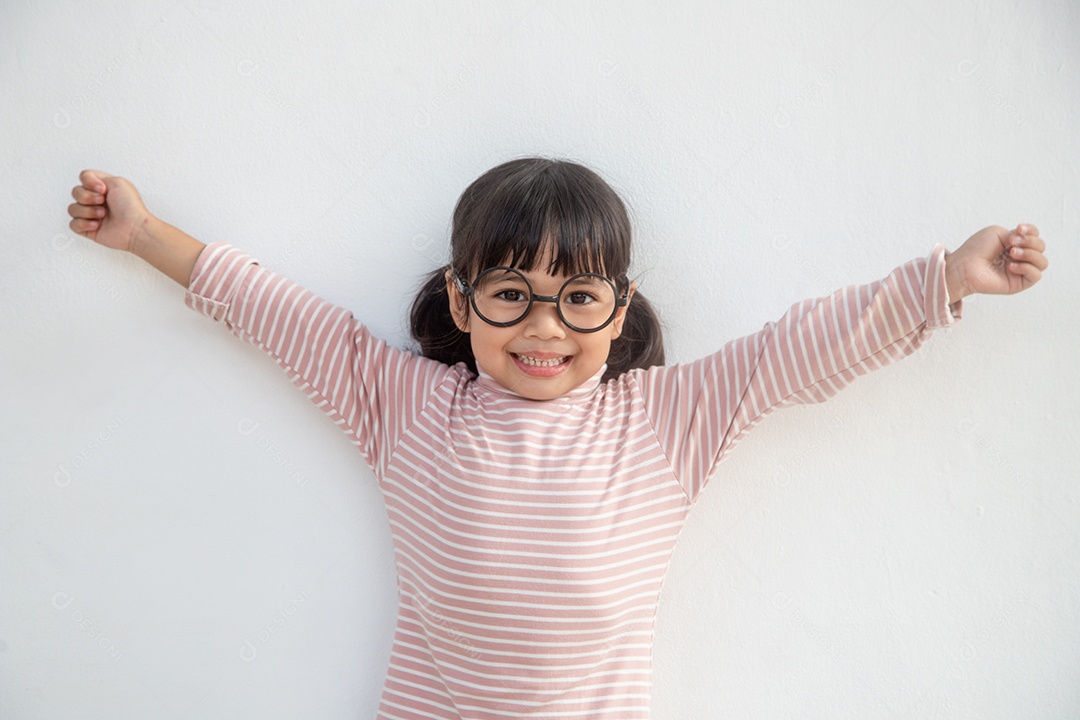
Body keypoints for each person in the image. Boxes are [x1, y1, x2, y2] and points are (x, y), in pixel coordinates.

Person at [66, 158, 1047, 719]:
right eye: (511, 296)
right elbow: (279, 313)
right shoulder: (408, 405)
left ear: (619, 312)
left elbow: (800, 349)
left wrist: (945, 280)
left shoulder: (665, 418)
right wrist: (148, 234)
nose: (544, 328)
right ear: (463, 299)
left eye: (576, 299)